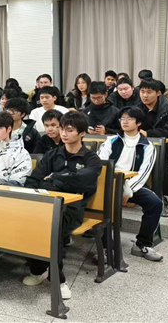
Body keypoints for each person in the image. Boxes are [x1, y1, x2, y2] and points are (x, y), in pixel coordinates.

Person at [23, 112, 101, 300]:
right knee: (28, 222)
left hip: (72, 208)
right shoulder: (53, 155)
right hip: (45, 203)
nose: (64, 134)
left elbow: (85, 183)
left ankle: (58, 279)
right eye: (62, 129)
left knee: (52, 227)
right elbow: (33, 181)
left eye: (70, 130)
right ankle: (39, 269)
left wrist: (55, 178)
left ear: (82, 133)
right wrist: (56, 183)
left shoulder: (90, 159)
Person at [97, 106, 163, 261]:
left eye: (129, 119)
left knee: (155, 204)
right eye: (122, 119)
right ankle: (106, 247)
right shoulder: (111, 140)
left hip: (133, 185)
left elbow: (143, 173)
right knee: (103, 203)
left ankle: (142, 244)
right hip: (110, 183)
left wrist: (127, 190)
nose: (125, 122)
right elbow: (100, 164)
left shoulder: (147, 146)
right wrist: (116, 187)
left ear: (139, 123)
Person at [138, 79, 168, 211]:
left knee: (162, 165)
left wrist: (148, 133)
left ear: (158, 93)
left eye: (149, 92)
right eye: (142, 92)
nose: (145, 95)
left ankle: (167, 194)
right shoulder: (136, 108)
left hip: (165, 148)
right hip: (140, 146)